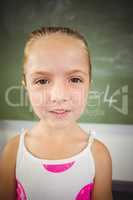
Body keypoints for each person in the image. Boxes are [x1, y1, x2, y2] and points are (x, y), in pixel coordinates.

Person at [0, 26, 112, 200]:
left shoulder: (99, 155)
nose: (59, 96)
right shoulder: (13, 151)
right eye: (42, 81)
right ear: (25, 84)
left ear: (89, 82)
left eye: (75, 79)